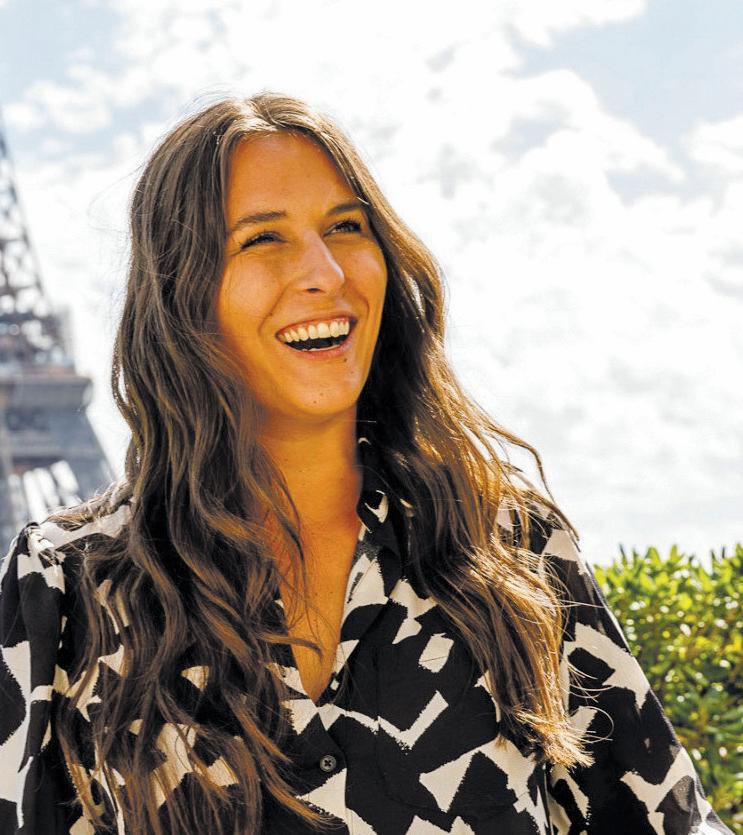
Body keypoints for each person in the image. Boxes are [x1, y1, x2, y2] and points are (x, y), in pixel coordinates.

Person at [0, 92, 730, 835]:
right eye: (262, 239)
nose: (324, 271)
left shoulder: (510, 548)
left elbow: (665, 819)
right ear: (182, 292)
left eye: (346, 227)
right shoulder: (68, 587)